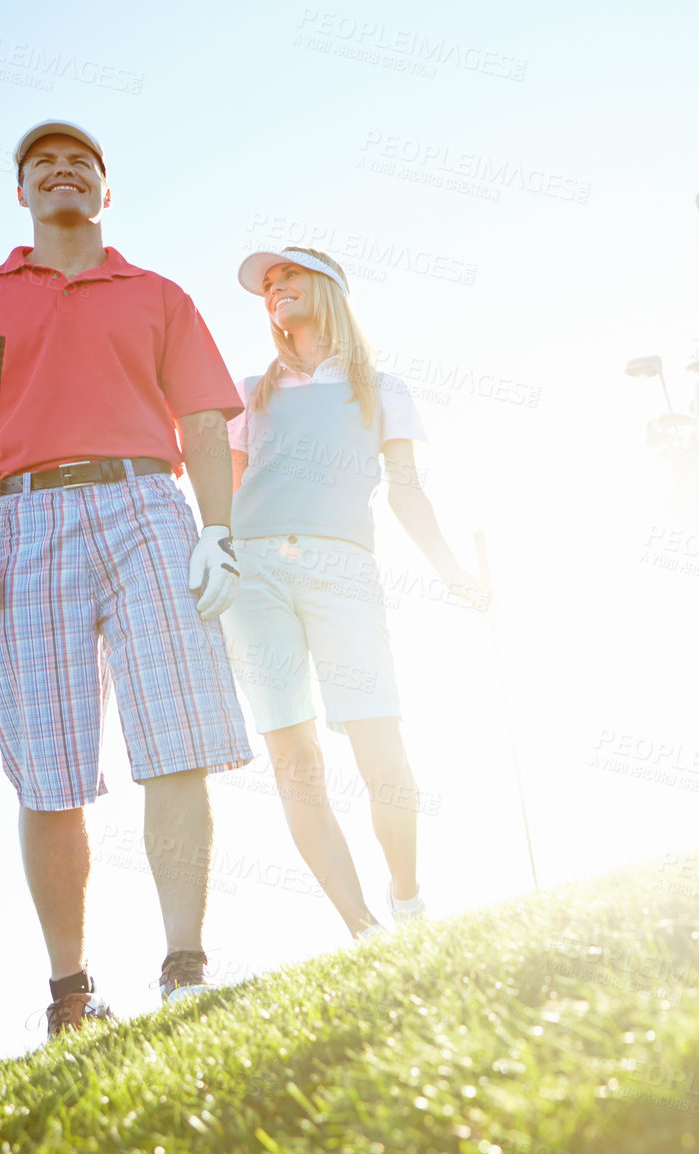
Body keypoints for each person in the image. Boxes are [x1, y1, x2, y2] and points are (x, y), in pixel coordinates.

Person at [0, 120, 251, 1038]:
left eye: (81, 164)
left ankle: (186, 967)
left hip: (147, 506)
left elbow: (208, 422)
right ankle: (72, 995)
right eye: (42, 166)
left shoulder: (157, 294)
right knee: (49, 774)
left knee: (176, 738)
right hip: (25, 520)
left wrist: (218, 531)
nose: (63, 172)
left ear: (106, 191)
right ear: (21, 193)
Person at [223, 245, 482, 939]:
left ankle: (407, 900)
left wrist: (453, 571)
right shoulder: (249, 389)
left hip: (343, 570)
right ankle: (361, 929)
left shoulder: (382, 388)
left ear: (331, 288)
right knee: (294, 760)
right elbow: (224, 489)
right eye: (267, 285)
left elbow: (406, 491)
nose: (275, 290)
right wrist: (209, 553)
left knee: (381, 747)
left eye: (289, 277)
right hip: (253, 575)